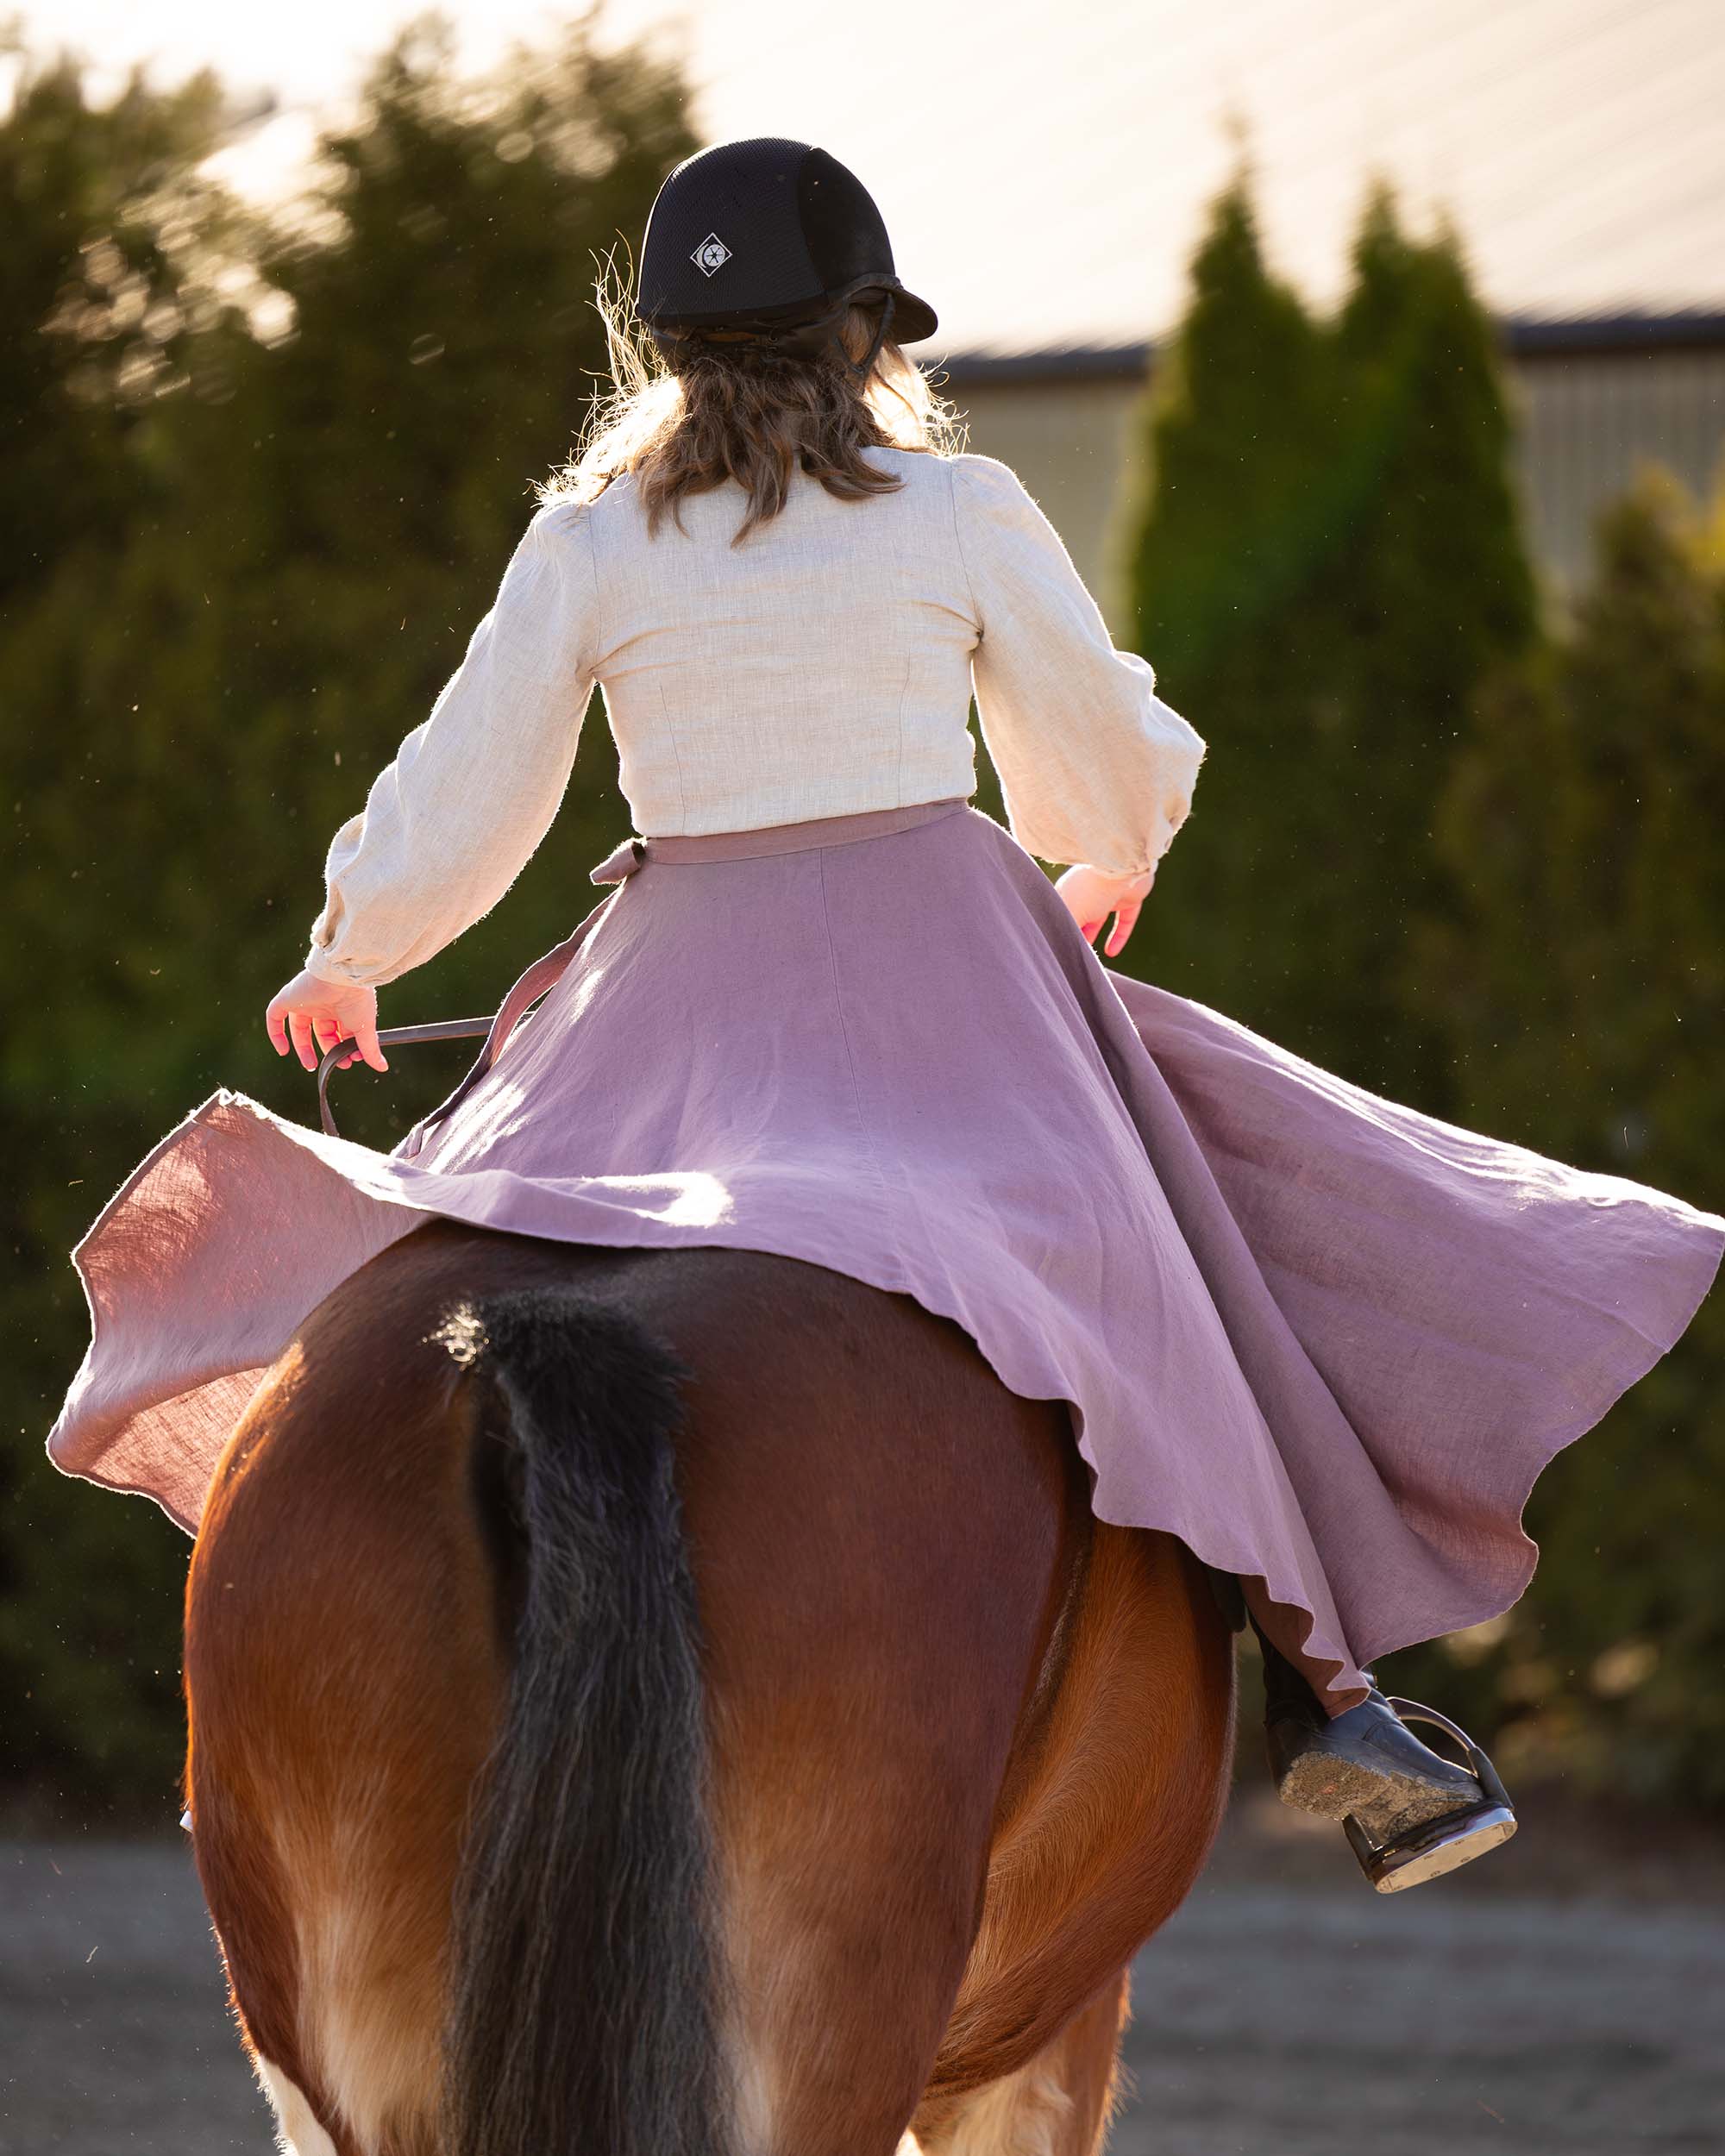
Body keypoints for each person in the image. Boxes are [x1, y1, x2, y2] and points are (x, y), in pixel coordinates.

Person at [47, 139, 1724, 1893]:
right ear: (865, 338)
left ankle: (319, 1687)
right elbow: (1098, 747)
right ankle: (1332, 1697)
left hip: (674, 986)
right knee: (1147, 1258)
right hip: (942, 962)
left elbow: (468, 781)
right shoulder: (959, 509)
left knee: (453, 1232)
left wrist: (354, 948)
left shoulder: (590, 539)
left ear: (675, 353)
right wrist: (1104, 846)